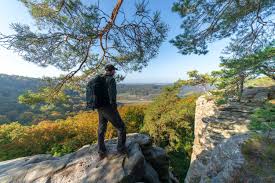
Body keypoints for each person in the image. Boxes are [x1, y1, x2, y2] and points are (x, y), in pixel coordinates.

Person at [95, 64, 127, 159]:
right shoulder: (111, 79)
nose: (115, 72)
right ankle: (121, 149)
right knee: (121, 127)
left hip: (99, 107)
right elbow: (112, 94)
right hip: (108, 107)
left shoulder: (99, 79)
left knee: (102, 128)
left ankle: (101, 151)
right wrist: (114, 106)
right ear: (111, 71)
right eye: (114, 70)